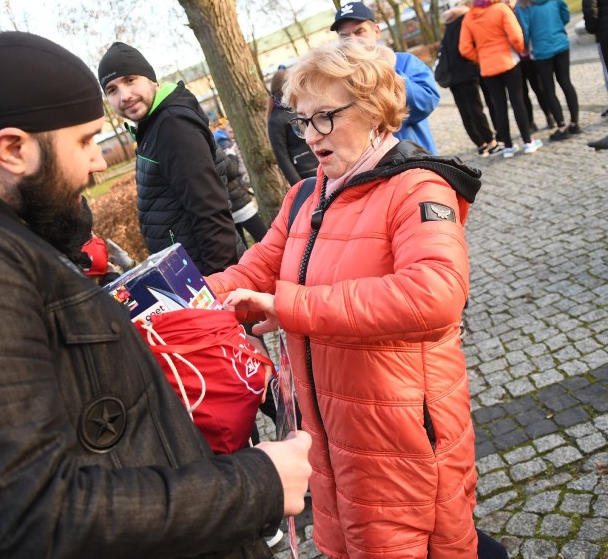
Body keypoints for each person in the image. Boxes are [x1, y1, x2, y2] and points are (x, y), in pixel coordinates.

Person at [0, 31, 312, 558]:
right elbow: (37, 515)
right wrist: (256, 484)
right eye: (86, 141)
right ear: (13, 149)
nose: (97, 163)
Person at [206, 39, 485, 558]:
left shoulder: (417, 189)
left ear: (375, 110)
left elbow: (438, 293)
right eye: (302, 121)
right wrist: (185, 304)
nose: (310, 137)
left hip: (402, 442)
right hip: (329, 441)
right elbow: (256, 270)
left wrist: (291, 308)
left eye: (325, 118)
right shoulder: (305, 196)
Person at [98, 42, 244, 275]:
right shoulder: (154, 126)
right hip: (190, 270)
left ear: (151, 80)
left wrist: (219, 286)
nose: (124, 96)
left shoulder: (172, 126)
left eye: (130, 80)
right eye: (112, 90)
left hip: (209, 275)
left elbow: (210, 210)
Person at [331, 1, 440, 154]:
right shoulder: (340, 78)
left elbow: (426, 103)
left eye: (359, 31)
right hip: (370, 167)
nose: (352, 41)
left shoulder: (403, 62)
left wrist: (389, 74)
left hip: (415, 159)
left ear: (376, 31)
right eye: (345, 36)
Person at [460, 0, 543, 158]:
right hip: (509, 61)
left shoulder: (469, 17)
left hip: (488, 67)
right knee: (517, 101)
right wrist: (519, 50)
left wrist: (480, 57)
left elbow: (465, 48)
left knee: (499, 106)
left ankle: (508, 147)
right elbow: (516, 35)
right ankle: (528, 142)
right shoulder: (501, 9)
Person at [516, 0, 582, 141]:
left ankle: (561, 126)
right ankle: (575, 122)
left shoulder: (524, 3)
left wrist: (526, 46)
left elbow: (524, 30)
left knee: (548, 89)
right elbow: (565, 14)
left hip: (541, 50)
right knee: (566, 82)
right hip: (560, 43)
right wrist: (558, 27)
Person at [439, 1, 502, 157]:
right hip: (466, 72)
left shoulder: (449, 28)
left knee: (465, 111)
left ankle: (480, 144)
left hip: (453, 76)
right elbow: (467, 47)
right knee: (475, 109)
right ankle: (491, 142)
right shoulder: (465, 23)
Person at [502, 0, 556, 134]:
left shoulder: (524, 8)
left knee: (539, 88)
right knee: (522, 93)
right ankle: (530, 121)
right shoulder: (501, 14)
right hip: (514, 60)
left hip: (529, 57)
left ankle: (549, 115)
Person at [214, 127, 269, 243]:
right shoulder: (215, 147)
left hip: (225, 205)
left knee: (241, 247)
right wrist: (231, 154)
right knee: (264, 238)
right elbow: (232, 171)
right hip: (238, 202)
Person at [267, 69, 319, 185]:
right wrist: (299, 186)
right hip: (306, 174)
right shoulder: (275, 121)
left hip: (321, 166)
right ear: (282, 89)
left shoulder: (300, 109)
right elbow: (282, 157)